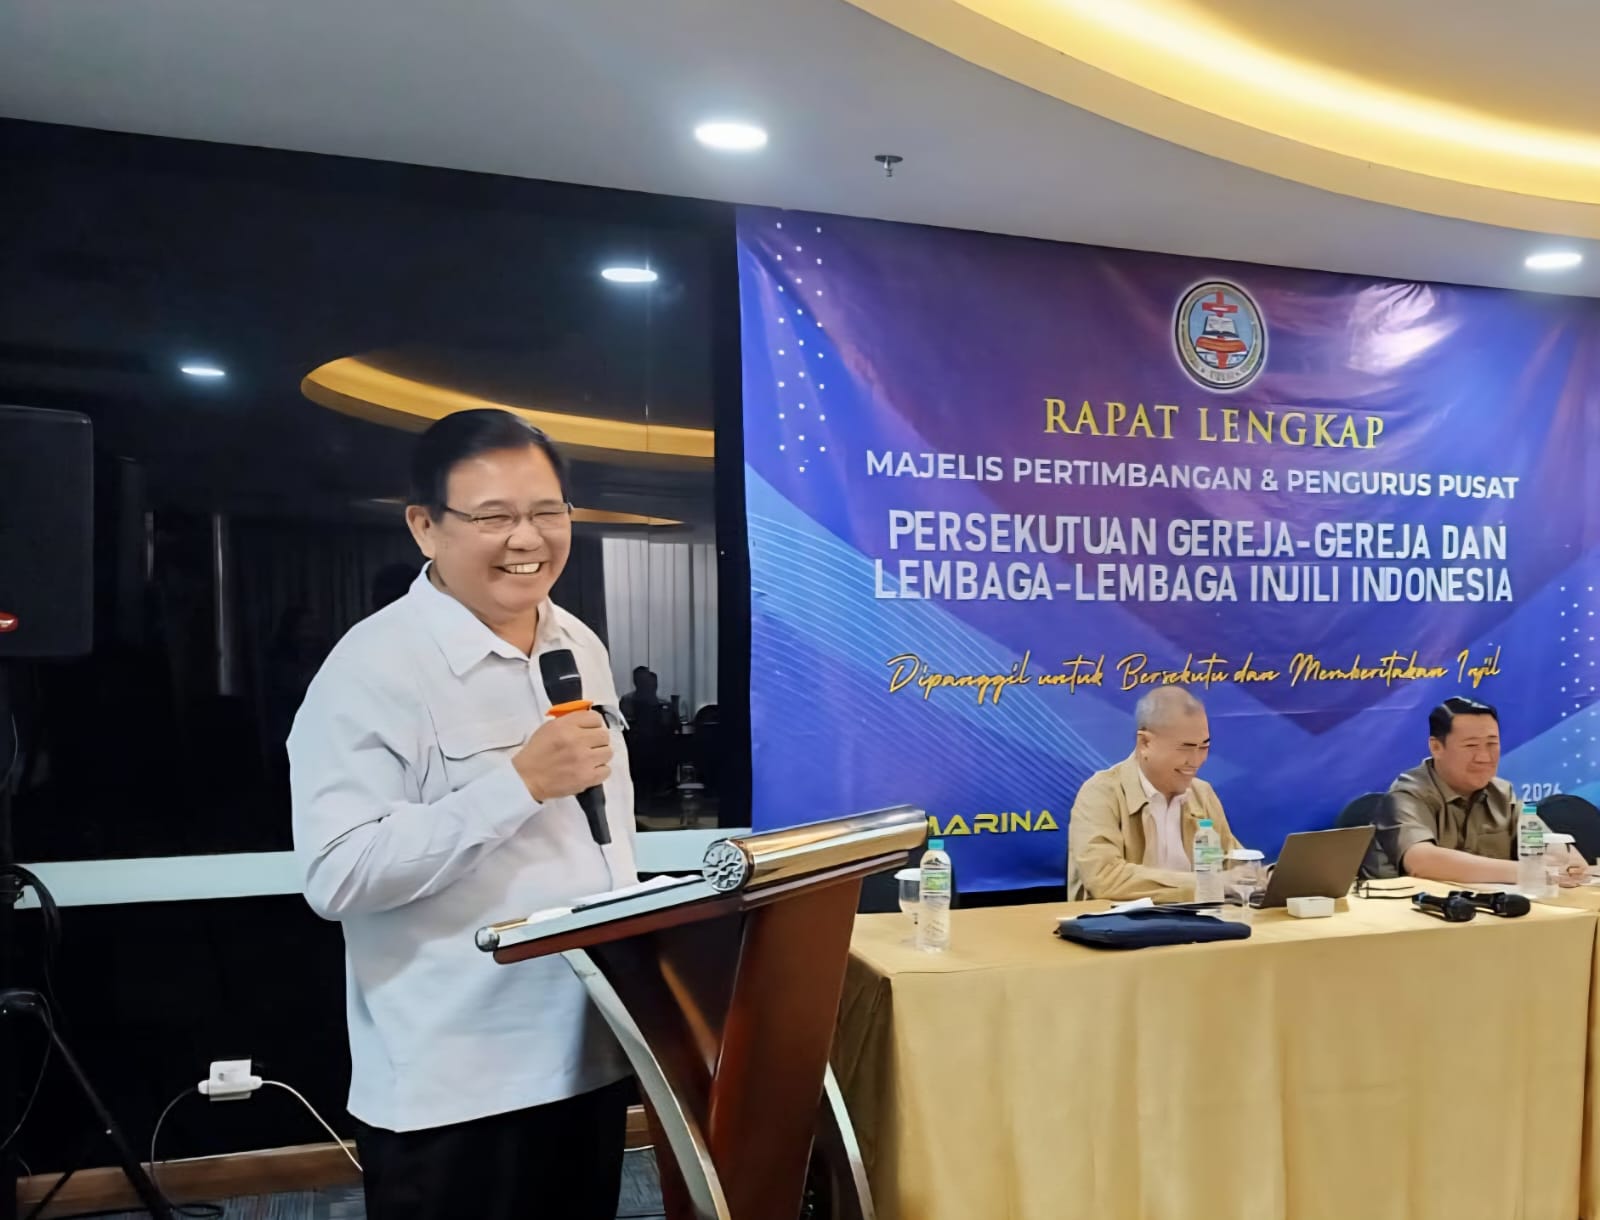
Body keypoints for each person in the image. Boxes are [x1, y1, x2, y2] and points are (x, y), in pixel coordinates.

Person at [289, 409, 635, 1220]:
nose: (528, 539)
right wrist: (517, 785)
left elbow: (601, 840)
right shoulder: (374, 665)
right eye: (493, 517)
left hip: (590, 1049)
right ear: (425, 526)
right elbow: (338, 874)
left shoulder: (577, 642)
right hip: (456, 1084)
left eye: (547, 511)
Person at [1382, 695, 1588, 886]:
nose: (1484, 757)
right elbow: (1422, 862)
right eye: (1471, 745)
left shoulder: (1502, 793)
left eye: (1492, 744)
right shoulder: (1407, 794)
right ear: (1436, 747)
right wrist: (1527, 871)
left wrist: (1565, 861)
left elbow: (1549, 845)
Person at [1066, 687, 1243, 900]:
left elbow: (1234, 866)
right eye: (1185, 748)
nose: (1196, 761)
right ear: (1145, 743)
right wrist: (1209, 884)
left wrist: (1264, 877)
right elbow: (1105, 878)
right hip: (1122, 920)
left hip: (1199, 919)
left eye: (1204, 747)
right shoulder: (1101, 793)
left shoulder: (1202, 793)